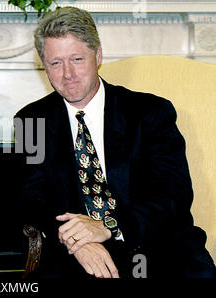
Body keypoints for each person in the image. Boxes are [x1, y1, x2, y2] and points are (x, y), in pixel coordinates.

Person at [15, 7, 215, 278]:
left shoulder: (150, 113)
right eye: (56, 63)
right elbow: (32, 198)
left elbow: (174, 194)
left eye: (77, 59)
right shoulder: (30, 120)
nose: (68, 74)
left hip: (155, 242)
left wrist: (109, 227)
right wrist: (78, 242)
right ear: (44, 65)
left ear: (98, 55)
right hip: (75, 252)